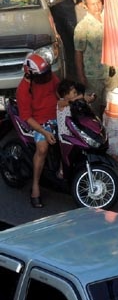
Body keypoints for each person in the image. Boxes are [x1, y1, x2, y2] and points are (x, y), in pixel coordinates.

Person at [16, 54, 60, 208]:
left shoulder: (48, 76)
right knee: (42, 148)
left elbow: (60, 90)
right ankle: (35, 186)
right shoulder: (23, 90)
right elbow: (27, 117)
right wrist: (44, 132)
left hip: (57, 115)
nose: (46, 78)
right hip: (40, 122)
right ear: (29, 74)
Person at [74, 0, 118, 117]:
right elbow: (78, 52)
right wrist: (81, 76)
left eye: (98, 2)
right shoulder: (82, 27)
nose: (97, 7)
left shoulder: (109, 18)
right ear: (85, 6)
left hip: (112, 70)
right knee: (94, 108)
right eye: (93, 4)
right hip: (94, 75)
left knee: (114, 105)